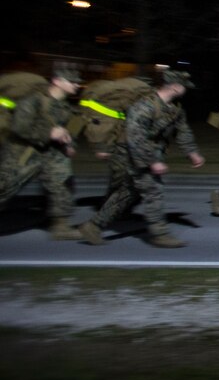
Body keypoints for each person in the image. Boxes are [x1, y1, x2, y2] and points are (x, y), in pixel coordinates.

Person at [79, 70, 205, 248]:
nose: (186, 90)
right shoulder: (144, 106)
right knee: (153, 190)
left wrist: (192, 152)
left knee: (128, 192)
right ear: (175, 87)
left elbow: (182, 130)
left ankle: (93, 226)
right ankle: (160, 234)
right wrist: (152, 161)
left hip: (149, 152)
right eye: (184, 87)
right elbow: (135, 138)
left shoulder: (174, 107)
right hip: (132, 154)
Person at [0, 65, 83, 240]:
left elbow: (68, 129)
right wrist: (49, 133)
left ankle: (61, 227)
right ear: (57, 81)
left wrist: (69, 144)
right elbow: (19, 127)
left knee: (62, 185)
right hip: (23, 153)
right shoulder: (33, 101)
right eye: (72, 81)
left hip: (52, 154)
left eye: (77, 81)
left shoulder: (65, 107)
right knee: (5, 187)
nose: (76, 85)